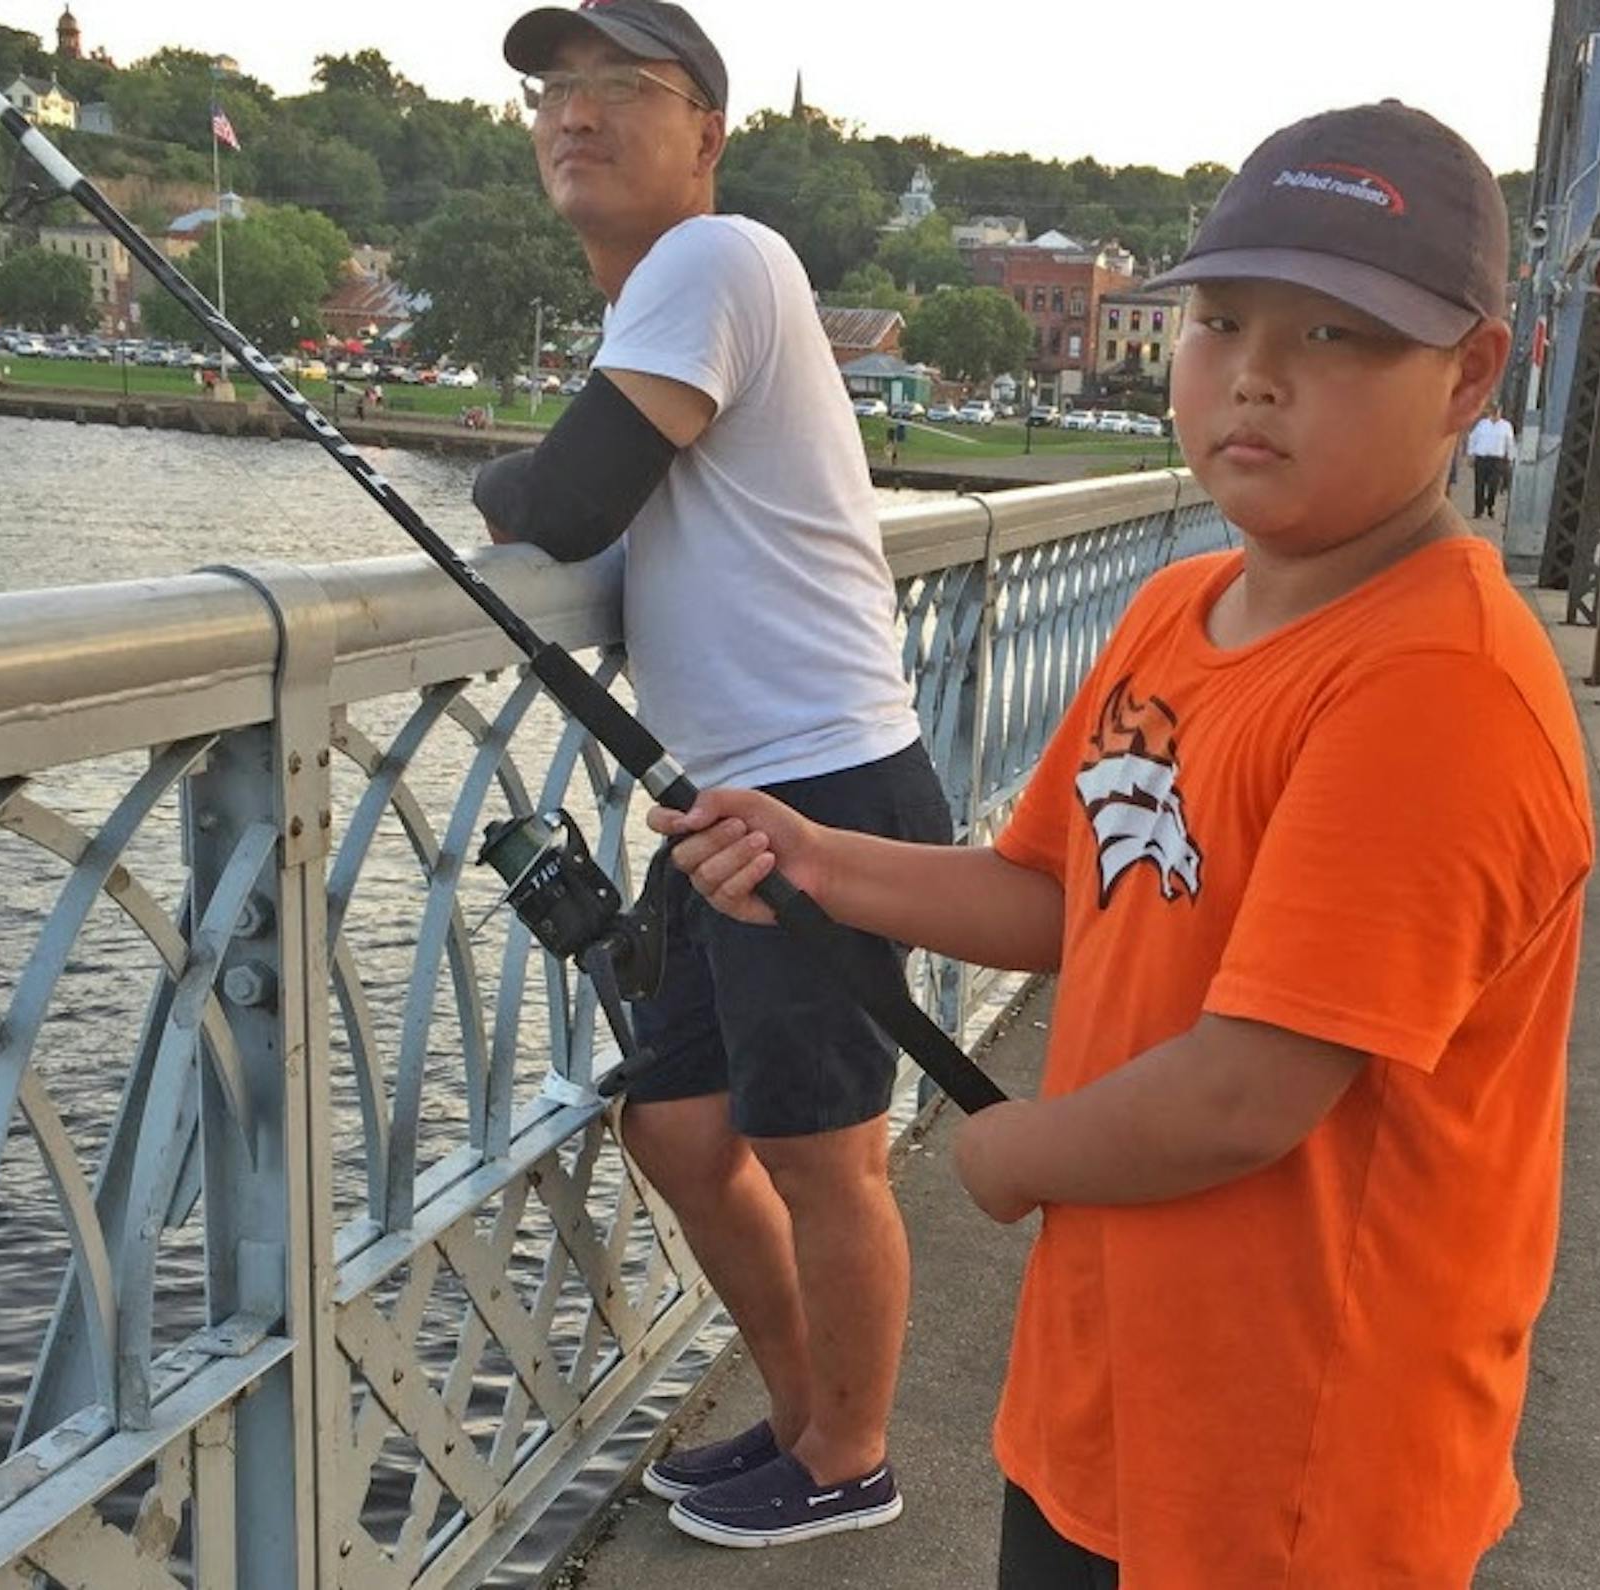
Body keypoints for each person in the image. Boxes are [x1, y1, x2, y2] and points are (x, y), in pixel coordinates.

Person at [653, 101, 1594, 1587]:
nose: (1258, 377)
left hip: (1302, 1466)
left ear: (1470, 373)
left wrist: (1017, 1151)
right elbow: (1055, 887)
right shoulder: (1179, 611)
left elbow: (1246, 1092)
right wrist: (822, 861)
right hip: (1105, 1399)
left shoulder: (1438, 682)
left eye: (1340, 336)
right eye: (1221, 321)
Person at [473, 0, 950, 1550]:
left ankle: (852, 1453)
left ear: (708, 136)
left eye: (628, 85)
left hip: (820, 793)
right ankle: (808, 1411)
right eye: (556, 87)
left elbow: (567, 498)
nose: (578, 111)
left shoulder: (713, 260)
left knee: (822, 1149)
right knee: (679, 1128)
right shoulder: (672, 298)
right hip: (736, 801)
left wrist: (500, 481)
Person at [1466, 400, 1517, 519]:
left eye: (1497, 411)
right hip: (1482, 458)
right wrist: (1470, 454)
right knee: (1479, 485)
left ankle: (1490, 505)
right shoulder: (1482, 424)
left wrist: (1510, 458)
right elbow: (1472, 438)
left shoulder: (1506, 426)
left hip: (1497, 459)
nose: (1495, 413)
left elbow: (1510, 443)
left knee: (1493, 485)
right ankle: (1478, 510)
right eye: (1493, 411)